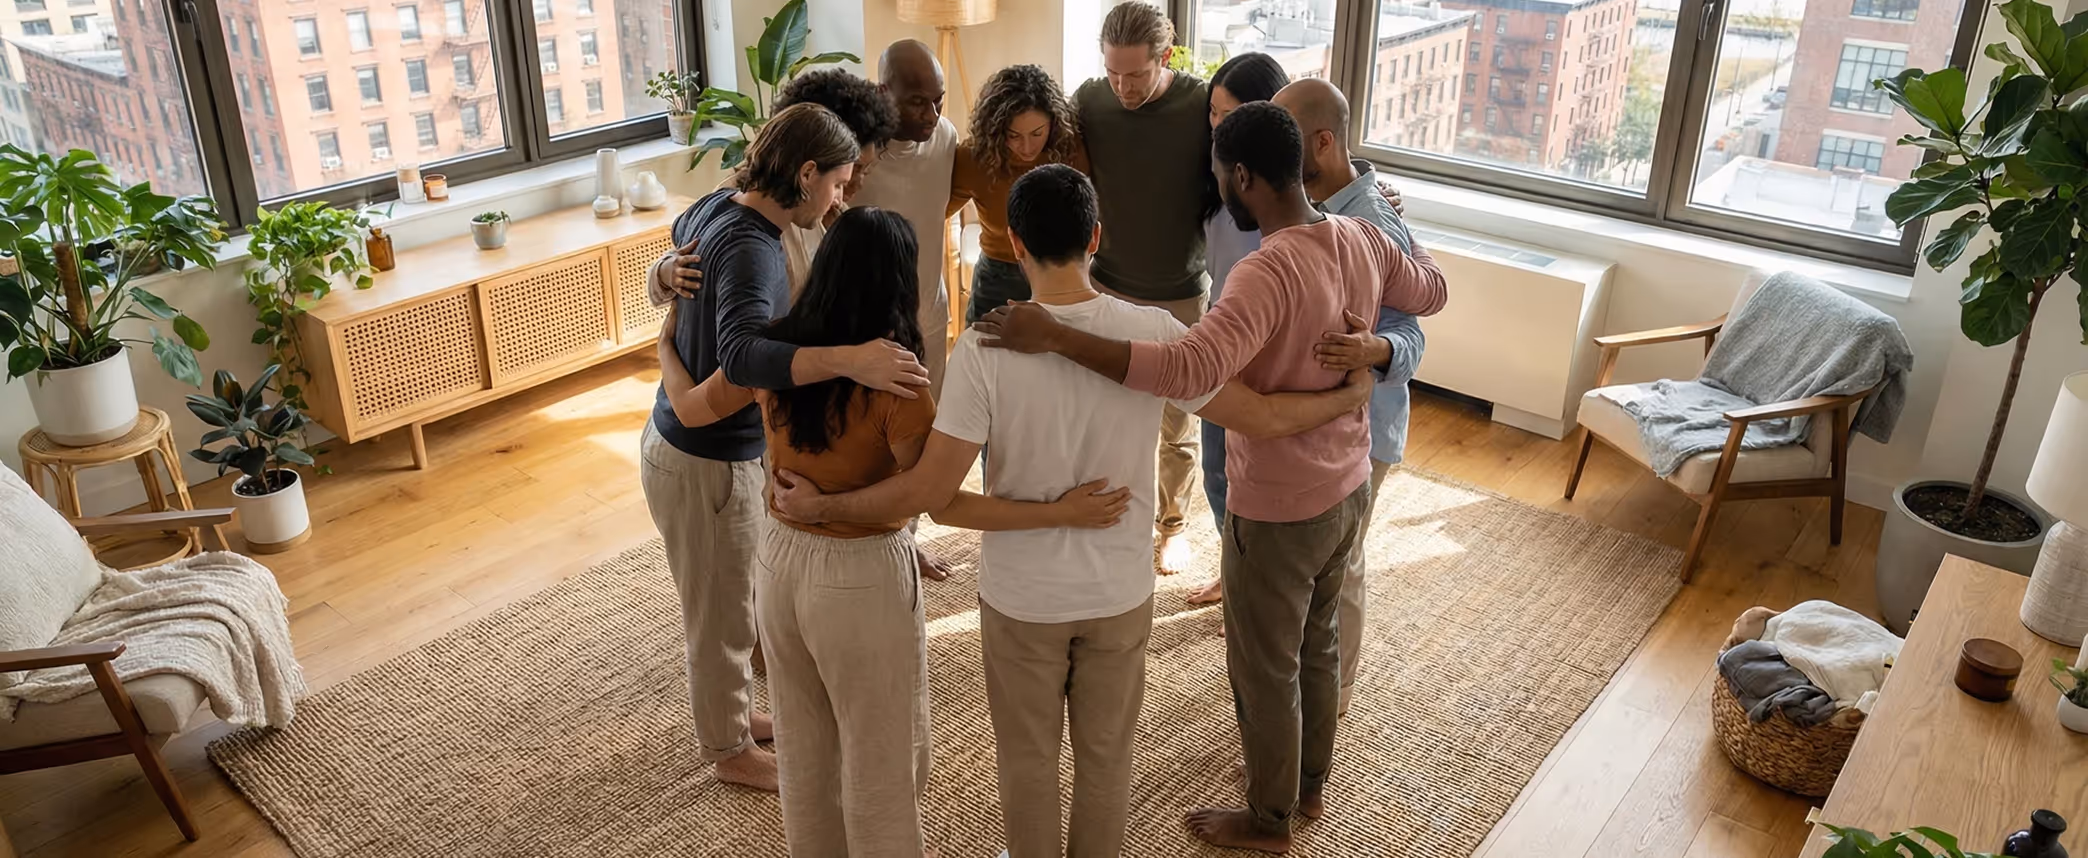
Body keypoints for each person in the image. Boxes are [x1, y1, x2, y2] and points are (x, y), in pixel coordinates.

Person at [773, 165, 1377, 858]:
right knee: (1107, 763)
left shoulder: (984, 349)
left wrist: (825, 505)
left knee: (1027, 765)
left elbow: (933, 499)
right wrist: (1347, 396)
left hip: (1022, 599)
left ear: (1016, 244)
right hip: (1119, 593)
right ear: (1096, 237)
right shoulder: (1155, 331)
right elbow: (1262, 417)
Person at [974, 104, 1447, 853]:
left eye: (1221, 173)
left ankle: (1269, 819)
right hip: (1351, 482)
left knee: (1266, 668)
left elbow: (1190, 369)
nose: (1218, 186)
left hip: (1282, 502)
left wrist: (1059, 335)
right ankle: (1310, 786)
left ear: (1244, 177)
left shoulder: (1266, 270)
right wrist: (1377, 350)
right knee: (1319, 642)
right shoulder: (1361, 235)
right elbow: (1432, 291)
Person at [656, 206, 1123, 858]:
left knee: (804, 753)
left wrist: (665, 346)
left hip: (778, 566)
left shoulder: (776, 353)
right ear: (900, 282)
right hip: (859, 574)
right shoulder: (897, 381)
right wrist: (1059, 513)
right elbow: (940, 501)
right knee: (881, 764)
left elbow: (687, 408)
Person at [637, 103, 926, 793]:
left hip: (684, 441)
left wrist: (663, 272)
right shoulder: (755, 249)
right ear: (806, 173)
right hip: (703, 459)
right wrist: (850, 358)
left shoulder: (718, 205)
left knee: (732, 596)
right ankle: (729, 748)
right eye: (837, 184)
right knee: (721, 616)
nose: (838, 201)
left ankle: (735, 715)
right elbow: (742, 357)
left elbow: (678, 238)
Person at [1276, 78, 1435, 716]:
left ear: (1321, 142)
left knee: (1338, 569)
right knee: (1317, 567)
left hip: (1366, 428)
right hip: (1323, 422)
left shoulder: (1369, 219)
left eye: (1288, 141)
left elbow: (1413, 334)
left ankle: (1330, 706)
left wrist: (1374, 349)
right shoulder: (1313, 204)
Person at [1075, 0, 1214, 576]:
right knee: (1105, 416)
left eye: (1135, 74)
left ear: (1166, 57)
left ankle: (1172, 527)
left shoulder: (1201, 105)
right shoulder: (1090, 102)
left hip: (1181, 289)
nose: (1122, 87)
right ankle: (1108, 518)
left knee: (1177, 424)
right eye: (1112, 72)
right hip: (1107, 285)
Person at [648, 68, 900, 303]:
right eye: (854, 169)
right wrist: (664, 272)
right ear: (809, 166)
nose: (856, 183)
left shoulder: (832, 209)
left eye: (865, 170)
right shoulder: (741, 203)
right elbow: (681, 285)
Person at [1187, 50, 1291, 606]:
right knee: (1216, 471)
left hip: (1271, 349)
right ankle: (1235, 570)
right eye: (1213, 113)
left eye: (1230, 116)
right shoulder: (1214, 173)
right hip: (1221, 339)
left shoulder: (1288, 193)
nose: (1217, 127)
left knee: (1262, 476)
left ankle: (1259, 580)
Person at [949, 63, 1089, 323]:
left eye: (1037, 133)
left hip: (1059, 273)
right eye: (1013, 135)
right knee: (982, 346)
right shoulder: (974, 158)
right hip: (997, 276)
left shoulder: (1070, 149)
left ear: (1053, 123)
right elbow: (935, 211)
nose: (1026, 147)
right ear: (997, 129)